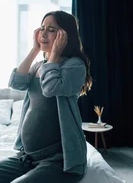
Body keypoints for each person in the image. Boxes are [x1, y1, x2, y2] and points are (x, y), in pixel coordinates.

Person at [0, 10, 93, 183]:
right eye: (42, 27)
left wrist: (55, 55)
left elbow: (50, 88)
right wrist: (35, 50)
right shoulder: (39, 66)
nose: (43, 33)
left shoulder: (75, 65)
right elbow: (16, 83)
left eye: (51, 29)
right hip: (28, 158)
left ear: (65, 35)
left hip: (59, 161)